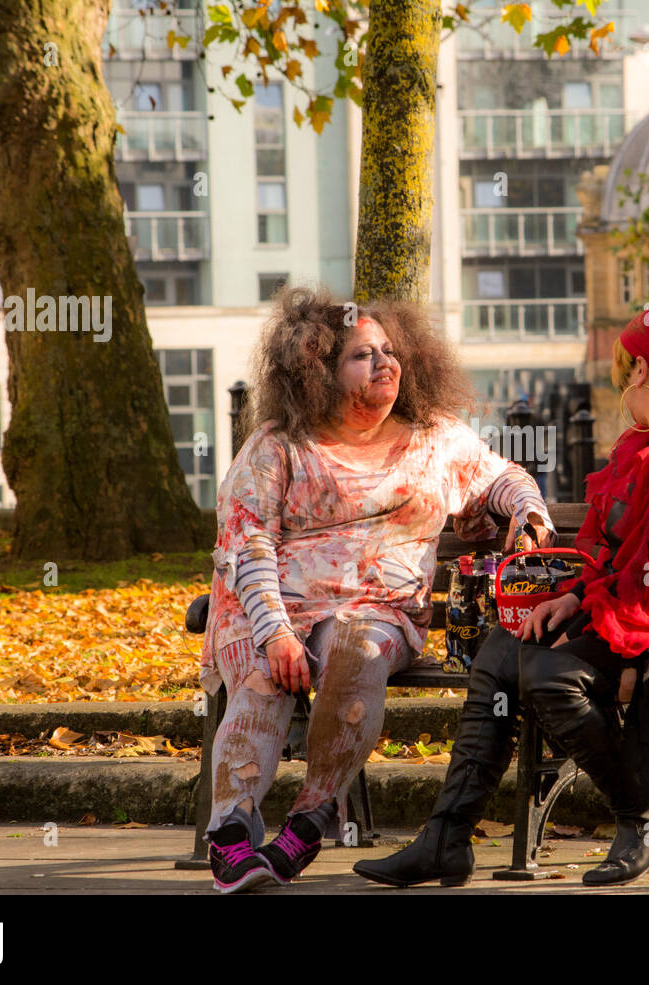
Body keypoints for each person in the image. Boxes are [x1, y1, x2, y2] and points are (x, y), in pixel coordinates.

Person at [354, 299, 649, 889]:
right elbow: (616, 558)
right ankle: (446, 839)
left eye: (623, 371)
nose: (619, 386)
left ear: (641, 371)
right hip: (645, 598)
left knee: (551, 673)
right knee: (501, 653)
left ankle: (642, 818)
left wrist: (611, 634)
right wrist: (575, 599)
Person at [199, 286, 555, 893]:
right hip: (270, 607)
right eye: (363, 355)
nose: (385, 362)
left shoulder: (434, 438)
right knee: (264, 674)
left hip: (381, 611)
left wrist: (529, 516)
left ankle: (307, 825)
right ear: (319, 370)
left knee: (357, 647)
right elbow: (246, 543)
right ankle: (230, 838)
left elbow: (506, 478)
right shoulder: (277, 446)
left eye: (391, 351)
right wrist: (277, 631)